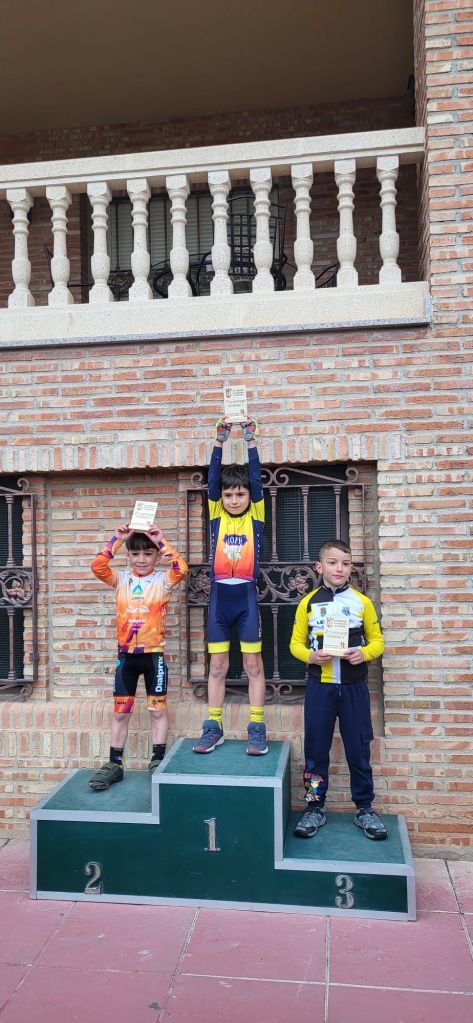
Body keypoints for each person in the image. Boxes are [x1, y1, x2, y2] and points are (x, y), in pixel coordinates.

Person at [289, 539, 387, 840]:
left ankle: (365, 808)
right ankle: (314, 807)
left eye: (345, 563)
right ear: (319, 567)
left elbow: (377, 642)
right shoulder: (307, 603)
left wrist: (364, 653)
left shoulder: (362, 602)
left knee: (358, 750)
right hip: (320, 689)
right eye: (332, 563)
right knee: (315, 751)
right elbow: (295, 644)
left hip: (354, 688)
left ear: (351, 568)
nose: (339, 569)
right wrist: (311, 656)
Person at [88, 523, 188, 790]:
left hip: (154, 657)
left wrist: (161, 541)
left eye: (147, 553)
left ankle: (157, 760)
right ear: (128, 556)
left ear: (156, 556)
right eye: (135, 554)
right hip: (126, 658)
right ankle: (114, 764)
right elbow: (98, 566)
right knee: (121, 713)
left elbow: (181, 568)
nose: (141, 559)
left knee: (157, 711)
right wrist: (117, 539)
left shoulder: (163, 580)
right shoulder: (120, 579)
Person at [193, 416, 267, 756]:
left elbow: (256, 478)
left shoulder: (256, 516)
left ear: (249, 496)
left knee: (253, 666)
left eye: (240, 494)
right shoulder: (216, 515)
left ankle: (257, 728)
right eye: (228, 495)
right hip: (220, 599)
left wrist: (250, 441)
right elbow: (212, 480)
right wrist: (219, 441)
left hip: (246, 598)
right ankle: (213, 727)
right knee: (218, 667)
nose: (234, 499)